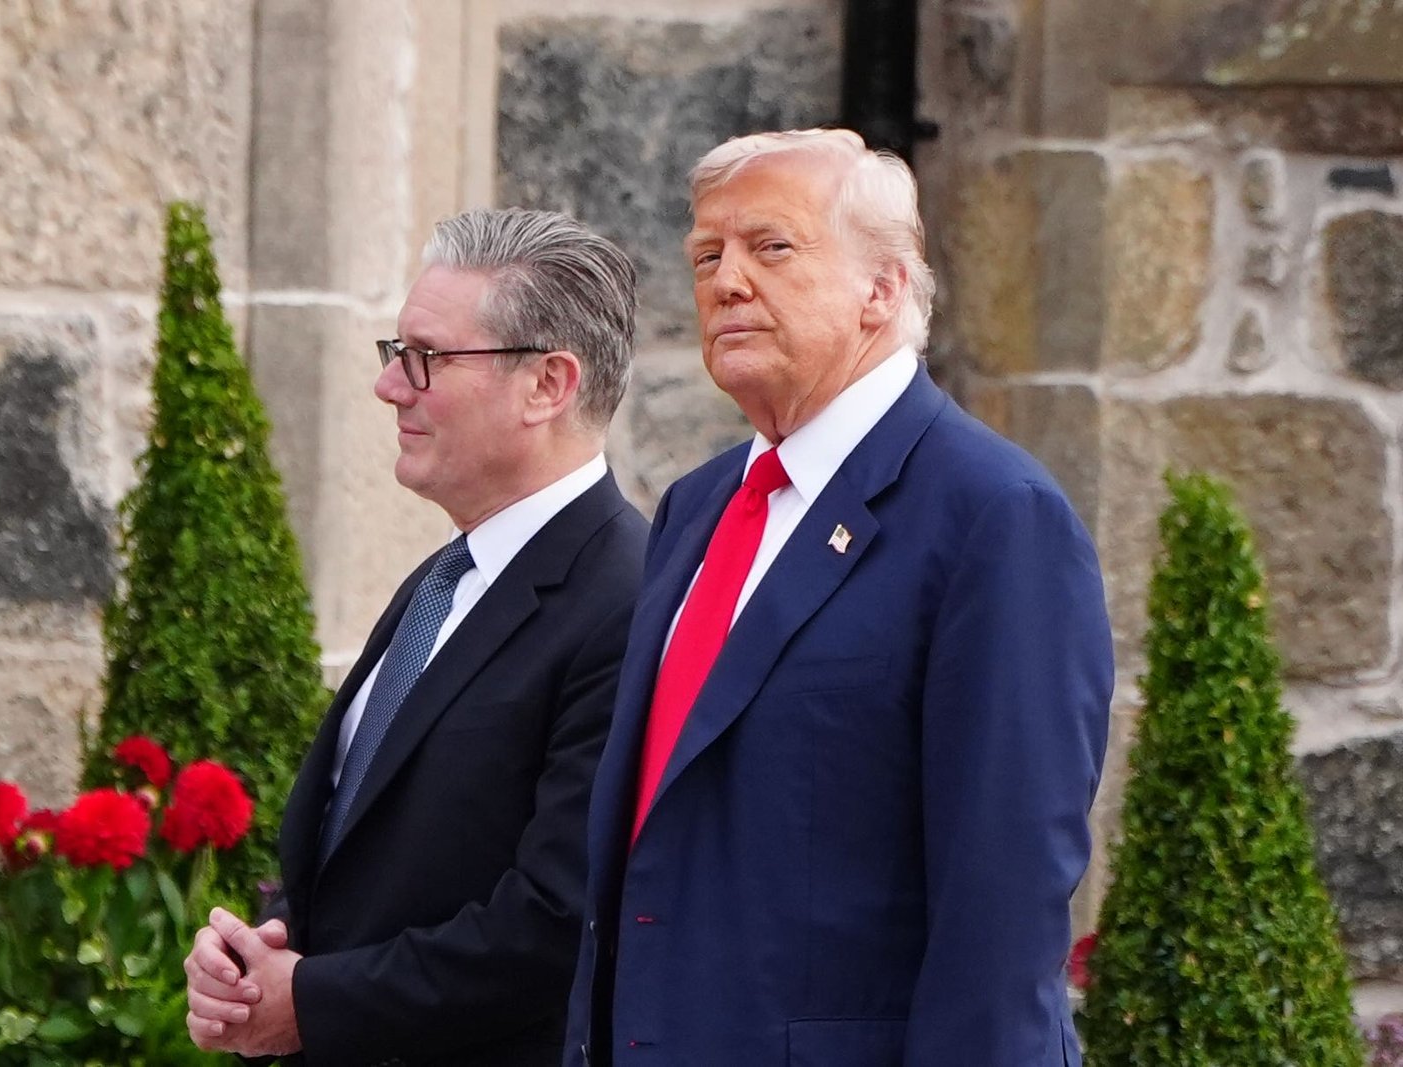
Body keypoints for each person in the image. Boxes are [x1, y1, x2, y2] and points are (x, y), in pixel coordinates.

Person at [564, 129, 1113, 1065]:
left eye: (771, 247)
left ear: (885, 287)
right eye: (707, 254)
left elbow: (1002, 908)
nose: (727, 281)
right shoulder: (698, 508)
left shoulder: (993, 516)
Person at [184, 206, 648, 1066]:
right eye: (396, 354)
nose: (391, 386)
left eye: (426, 358)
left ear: (547, 384)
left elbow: (557, 923)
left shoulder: (624, 599)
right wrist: (257, 965)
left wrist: (312, 1002)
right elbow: (379, 853)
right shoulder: (446, 578)